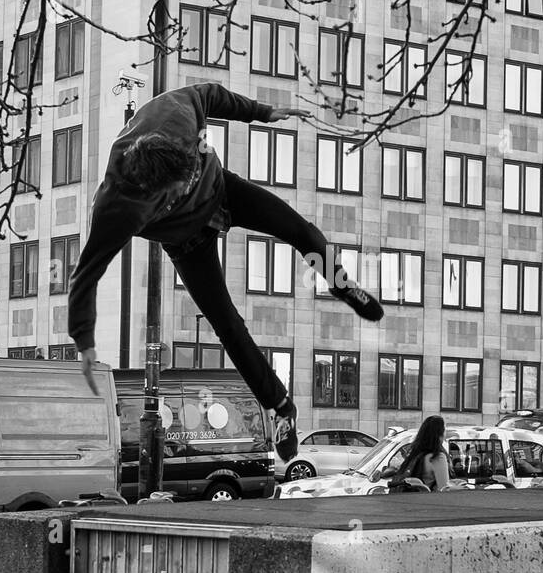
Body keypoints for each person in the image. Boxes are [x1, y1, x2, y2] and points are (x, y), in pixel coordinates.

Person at [68, 82, 384, 461]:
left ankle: (341, 284)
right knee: (227, 325)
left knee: (302, 231)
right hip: (187, 241)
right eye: (173, 194)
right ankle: (281, 407)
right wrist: (84, 340)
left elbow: (211, 93)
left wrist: (262, 112)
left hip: (222, 191)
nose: (182, 192)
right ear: (150, 192)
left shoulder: (174, 112)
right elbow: (85, 275)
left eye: (185, 182)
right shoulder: (115, 208)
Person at [390, 416, 452, 492]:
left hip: (410, 499)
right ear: (440, 433)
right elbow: (444, 489)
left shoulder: (415, 453)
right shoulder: (437, 457)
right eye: (444, 430)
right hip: (428, 501)